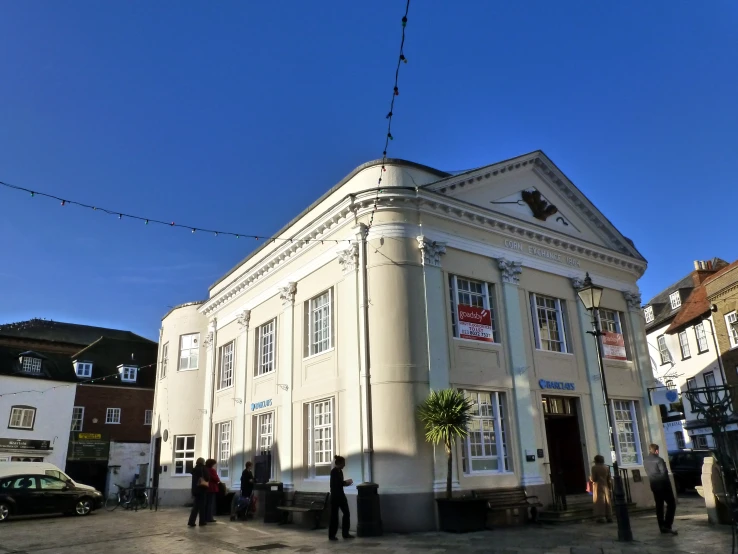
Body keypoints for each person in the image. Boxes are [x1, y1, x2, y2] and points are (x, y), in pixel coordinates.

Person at [644, 444, 677, 535]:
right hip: (663, 486)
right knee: (671, 504)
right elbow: (664, 474)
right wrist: (669, 487)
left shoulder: (645, 460)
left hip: (654, 485)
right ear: (657, 451)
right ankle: (667, 525)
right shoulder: (659, 460)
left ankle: (661, 526)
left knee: (659, 506)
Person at [329, 455, 354, 541]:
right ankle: (332, 535)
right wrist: (346, 482)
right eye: (343, 463)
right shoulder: (334, 472)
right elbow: (337, 484)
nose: (344, 465)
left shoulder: (340, 472)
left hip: (341, 495)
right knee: (334, 516)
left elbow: (340, 483)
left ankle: (345, 533)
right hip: (335, 496)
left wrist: (346, 483)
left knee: (346, 513)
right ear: (339, 463)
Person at [589, 455, 612, 523]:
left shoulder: (594, 468)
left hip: (598, 486)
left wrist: (590, 478)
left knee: (599, 501)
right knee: (607, 501)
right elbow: (609, 479)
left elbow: (594, 479)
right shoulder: (606, 468)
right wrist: (610, 487)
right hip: (606, 485)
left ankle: (601, 517)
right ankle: (609, 516)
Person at [188, 457, 210, 527]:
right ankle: (202, 521)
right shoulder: (203, 468)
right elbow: (207, 478)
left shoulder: (194, 469)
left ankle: (191, 521)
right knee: (202, 506)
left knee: (195, 507)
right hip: (202, 489)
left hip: (195, 490)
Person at [205, 458, 220, 523]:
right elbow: (217, 479)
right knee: (210, 504)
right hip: (211, 488)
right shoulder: (212, 470)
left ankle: (205, 517)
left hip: (205, 488)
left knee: (206, 503)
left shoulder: (205, 469)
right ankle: (210, 517)